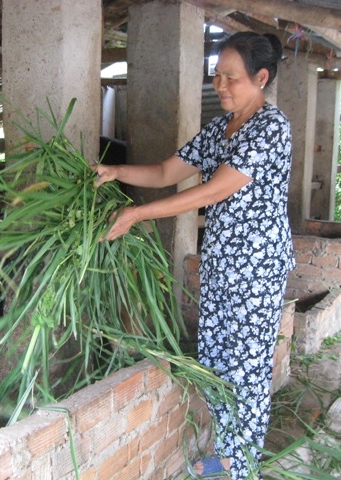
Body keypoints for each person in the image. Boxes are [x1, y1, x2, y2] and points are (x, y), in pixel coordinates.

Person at [94, 32, 294, 479]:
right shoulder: (220, 129)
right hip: (222, 265)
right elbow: (168, 170)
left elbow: (217, 187)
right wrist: (116, 172)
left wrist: (138, 213)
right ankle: (226, 454)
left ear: (261, 78)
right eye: (217, 75)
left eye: (231, 77)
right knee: (219, 361)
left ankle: (241, 467)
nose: (220, 85)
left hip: (256, 270)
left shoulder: (271, 128)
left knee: (247, 368)